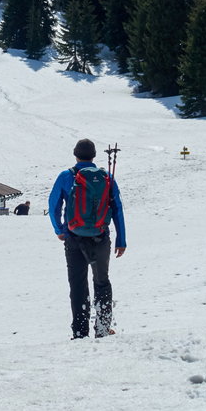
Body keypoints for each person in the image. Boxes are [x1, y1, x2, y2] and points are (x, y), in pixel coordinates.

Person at [47, 138, 126, 339]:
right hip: (100, 237)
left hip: (73, 238)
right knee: (101, 282)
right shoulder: (106, 177)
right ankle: (102, 328)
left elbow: (54, 203)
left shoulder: (66, 176)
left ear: (75, 155)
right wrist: (121, 239)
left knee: (78, 284)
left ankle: (80, 332)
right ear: (94, 156)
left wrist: (59, 230)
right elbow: (117, 208)